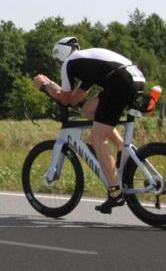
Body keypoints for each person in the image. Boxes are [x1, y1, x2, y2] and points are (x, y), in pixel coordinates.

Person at [32, 37, 146, 214]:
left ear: (60, 54)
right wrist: (56, 89)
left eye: (57, 60)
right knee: (88, 110)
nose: (58, 63)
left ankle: (115, 192)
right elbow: (74, 100)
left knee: (96, 139)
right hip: (134, 77)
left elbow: (64, 98)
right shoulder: (86, 63)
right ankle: (122, 148)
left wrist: (46, 85)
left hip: (120, 81)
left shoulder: (69, 63)